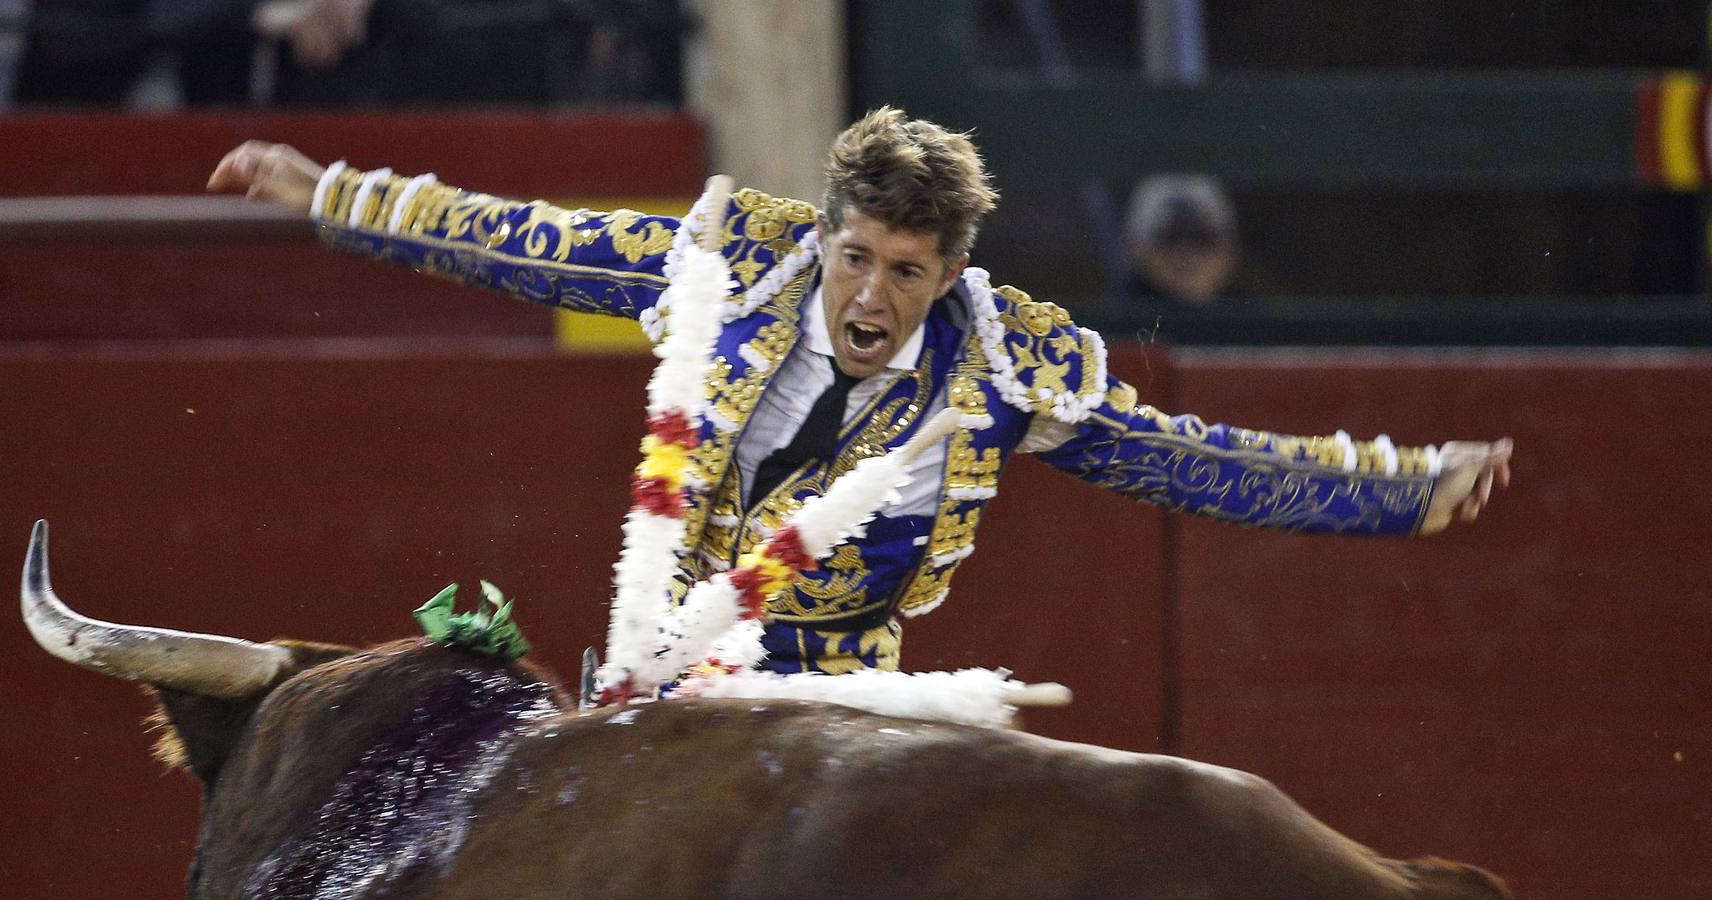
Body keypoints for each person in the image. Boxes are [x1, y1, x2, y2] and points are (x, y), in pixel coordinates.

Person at [206, 107, 1513, 676]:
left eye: (904, 270)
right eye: (854, 257)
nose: (869, 297)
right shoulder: (732, 269)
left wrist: (1396, 495)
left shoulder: (996, 364)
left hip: (845, 695)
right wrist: (330, 194)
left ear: (949, 273)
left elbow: (1185, 455)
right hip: (655, 676)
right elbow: (528, 239)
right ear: (822, 236)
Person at [1119, 174, 1245, 308]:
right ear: (1135, 248)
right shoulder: (1114, 317)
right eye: (1169, 240)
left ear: (1231, 250)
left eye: (1203, 240)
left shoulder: (1252, 317)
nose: (1187, 254)